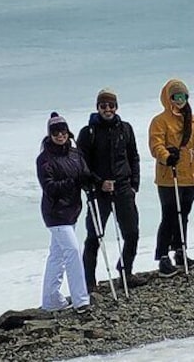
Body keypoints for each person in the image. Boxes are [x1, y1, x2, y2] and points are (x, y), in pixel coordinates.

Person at [77, 89, 147, 291]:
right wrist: (99, 183)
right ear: (97, 108)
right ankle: (89, 282)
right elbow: (81, 165)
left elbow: (134, 156)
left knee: (132, 233)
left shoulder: (125, 128)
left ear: (116, 107)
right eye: (103, 106)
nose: (107, 109)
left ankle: (125, 272)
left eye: (111, 105)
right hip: (99, 192)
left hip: (124, 188)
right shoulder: (88, 132)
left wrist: (134, 184)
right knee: (94, 236)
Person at [148, 79, 194, 277]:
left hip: (191, 174)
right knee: (169, 215)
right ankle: (162, 256)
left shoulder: (193, 120)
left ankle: (180, 251)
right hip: (170, 176)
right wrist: (167, 156)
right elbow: (155, 145)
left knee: (183, 214)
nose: (180, 100)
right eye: (176, 96)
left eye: (183, 96)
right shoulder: (160, 121)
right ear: (169, 98)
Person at [37, 112, 91, 314]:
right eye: (56, 132)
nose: (60, 135)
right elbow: (49, 187)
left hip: (72, 210)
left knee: (57, 255)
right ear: (50, 135)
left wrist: (93, 182)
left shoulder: (75, 154)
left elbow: (84, 174)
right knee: (73, 251)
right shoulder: (44, 159)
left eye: (63, 132)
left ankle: (51, 300)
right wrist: (73, 183)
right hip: (55, 213)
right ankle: (81, 300)